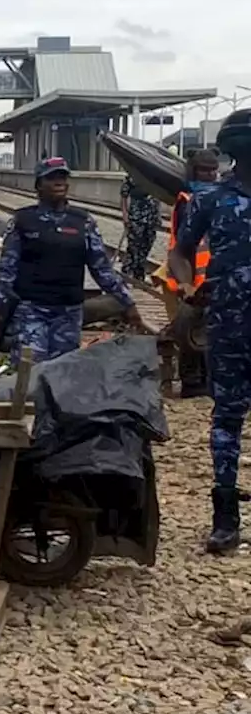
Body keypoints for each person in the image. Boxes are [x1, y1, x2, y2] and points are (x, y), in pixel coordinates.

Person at [171, 112, 251, 554]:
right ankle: (225, 516)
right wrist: (186, 287)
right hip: (228, 325)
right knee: (226, 418)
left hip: (227, 323)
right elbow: (182, 253)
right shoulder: (210, 199)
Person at [0, 157, 143, 364]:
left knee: (64, 372)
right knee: (28, 368)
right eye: (51, 178)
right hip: (30, 310)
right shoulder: (23, 221)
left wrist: (127, 303)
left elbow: (102, 270)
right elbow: (6, 271)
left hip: (68, 313)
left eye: (62, 177)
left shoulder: (83, 222)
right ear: (39, 185)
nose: (59, 182)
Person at [164, 149, 220, 398]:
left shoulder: (222, 198)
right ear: (192, 170)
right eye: (203, 170)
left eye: (212, 170)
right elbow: (181, 246)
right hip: (191, 274)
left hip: (214, 275)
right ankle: (192, 382)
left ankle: (208, 379)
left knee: (211, 331)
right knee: (190, 331)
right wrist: (185, 281)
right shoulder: (186, 200)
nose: (208, 175)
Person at [119, 176, 160, 281]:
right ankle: (126, 272)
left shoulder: (156, 175)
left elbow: (160, 195)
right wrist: (125, 215)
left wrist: (158, 216)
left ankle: (139, 274)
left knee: (147, 245)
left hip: (152, 218)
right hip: (136, 217)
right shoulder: (132, 176)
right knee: (134, 246)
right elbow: (123, 196)